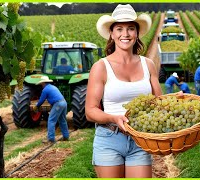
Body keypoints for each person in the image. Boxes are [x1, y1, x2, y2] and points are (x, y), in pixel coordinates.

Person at [85, 4, 163, 178]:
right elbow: (90, 111)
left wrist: (179, 103)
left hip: (141, 140)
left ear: (137, 33)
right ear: (112, 34)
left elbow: (161, 103)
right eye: (119, 29)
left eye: (130, 28)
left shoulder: (148, 65)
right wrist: (114, 118)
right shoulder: (100, 67)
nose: (125, 34)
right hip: (109, 138)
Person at [34, 76, 70, 143]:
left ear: (43, 83)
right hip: (64, 102)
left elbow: (41, 100)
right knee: (62, 120)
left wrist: (36, 106)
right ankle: (66, 136)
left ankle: (51, 139)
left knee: (51, 120)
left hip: (58, 104)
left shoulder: (45, 89)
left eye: (41, 84)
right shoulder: (53, 87)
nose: (41, 85)